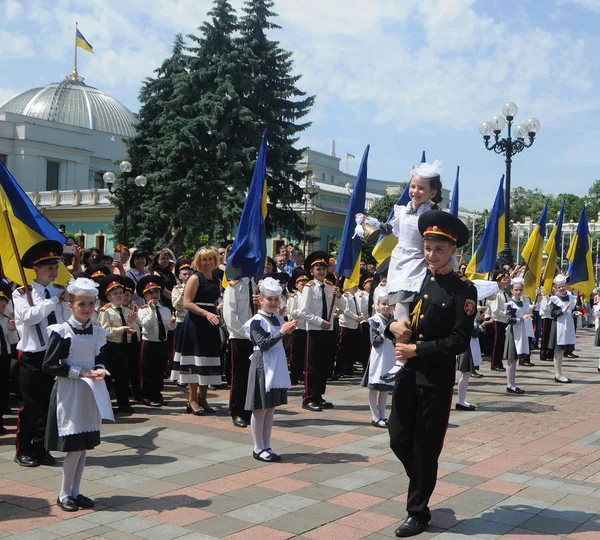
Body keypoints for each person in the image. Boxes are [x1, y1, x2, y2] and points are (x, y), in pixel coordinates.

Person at [385, 210, 476, 538]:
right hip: (407, 373)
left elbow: (459, 339)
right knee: (397, 437)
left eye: (438, 249)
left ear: (453, 250)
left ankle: (417, 511)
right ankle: (423, 479)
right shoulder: (414, 277)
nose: (431, 254)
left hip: (435, 378)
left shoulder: (463, 290)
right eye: (427, 247)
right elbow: (391, 317)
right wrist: (391, 326)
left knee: (426, 446)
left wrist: (416, 351)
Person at [366, 159, 443, 383]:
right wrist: (369, 222)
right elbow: (390, 228)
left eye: (421, 188)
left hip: (416, 263)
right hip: (399, 261)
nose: (415, 191)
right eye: (412, 186)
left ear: (432, 192)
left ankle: (402, 358)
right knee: (395, 308)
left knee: (402, 312)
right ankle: (402, 356)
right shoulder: (404, 209)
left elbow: (433, 241)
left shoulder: (429, 216)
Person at [42, 277, 114, 512]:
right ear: (70, 305)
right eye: (81, 304)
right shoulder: (62, 331)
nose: (86, 308)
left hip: (89, 391)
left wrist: (101, 367)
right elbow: (50, 365)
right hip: (69, 392)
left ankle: (75, 491)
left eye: (91, 304)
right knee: (74, 446)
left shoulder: (97, 331)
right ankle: (64, 494)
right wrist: (81, 371)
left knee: (83, 447)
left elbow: (98, 357)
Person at [13, 240, 70, 467]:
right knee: (31, 405)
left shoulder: (60, 292)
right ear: (35, 269)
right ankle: (23, 449)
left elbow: (67, 321)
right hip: (33, 356)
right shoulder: (22, 294)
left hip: (54, 353)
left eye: (55, 267)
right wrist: (54, 300)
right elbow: (29, 317)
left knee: (49, 405)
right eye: (48, 267)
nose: (53, 271)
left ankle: (41, 447)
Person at [243, 277, 295, 462]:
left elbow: (284, 344)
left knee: (270, 407)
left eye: (276, 299)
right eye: (269, 299)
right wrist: (282, 332)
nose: (273, 303)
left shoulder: (278, 318)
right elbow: (264, 344)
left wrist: (288, 332)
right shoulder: (256, 321)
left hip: (276, 363)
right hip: (261, 364)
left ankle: (267, 444)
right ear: (260, 299)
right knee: (260, 408)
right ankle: (258, 447)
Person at [171, 248, 222, 414]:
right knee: (195, 362)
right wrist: (207, 313)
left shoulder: (216, 280)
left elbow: (214, 302)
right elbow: (187, 303)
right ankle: (192, 399)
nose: (207, 263)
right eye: (204, 260)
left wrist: (216, 313)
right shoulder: (195, 278)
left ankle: (203, 398)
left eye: (210, 259)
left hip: (210, 324)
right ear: (199, 262)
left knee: (207, 361)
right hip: (196, 323)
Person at [298, 251, 341, 412]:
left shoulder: (331, 287)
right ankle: (309, 397)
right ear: (311, 271)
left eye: (323, 268)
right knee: (312, 366)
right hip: (315, 331)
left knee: (325, 365)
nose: (321, 271)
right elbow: (304, 311)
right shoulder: (309, 288)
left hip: (328, 332)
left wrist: (339, 296)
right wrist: (320, 322)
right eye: (318, 269)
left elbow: (340, 308)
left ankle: (319, 395)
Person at [97, 274, 138, 413]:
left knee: (123, 376)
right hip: (110, 347)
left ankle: (124, 403)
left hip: (124, 346)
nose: (119, 296)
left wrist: (131, 322)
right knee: (109, 377)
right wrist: (122, 329)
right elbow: (104, 330)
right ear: (108, 297)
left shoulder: (127, 310)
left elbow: (135, 328)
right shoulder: (106, 311)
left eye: (121, 293)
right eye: (115, 294)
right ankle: (107, 405)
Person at [223, 274, 258, 428]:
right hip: (240, 337)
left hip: (257, 338)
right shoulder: (234, 286)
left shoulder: (258, 285)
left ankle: (249, 409)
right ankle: (237, 412)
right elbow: (229, 316)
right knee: (239, 376)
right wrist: (247, 333)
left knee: (254, 376)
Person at [135, 275, 176, 406]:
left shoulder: (165, 309)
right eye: (150, 292)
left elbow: (169, 327)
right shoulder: (143, 310)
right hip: (149, 343)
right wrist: (152, 311)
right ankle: (147, 395)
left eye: (157, 292)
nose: (154, 294)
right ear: (145, 296)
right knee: (148, 371)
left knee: (159, 370)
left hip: (162, 343)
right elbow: (146, 325)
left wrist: (172, 323)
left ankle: (157, 394)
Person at [361, 289, 395, 427]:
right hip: (379, 356)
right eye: (383, 304)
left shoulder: (393, 320)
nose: (386, 307)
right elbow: (374, 341)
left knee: (385, 387)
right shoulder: (375, 321)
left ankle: (382, 415)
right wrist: (386, 333)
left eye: (389, 304)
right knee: (374, 386)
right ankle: (374, 416)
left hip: (390, 356)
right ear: (378, 304)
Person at [548, 275, 581, 383]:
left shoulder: (572, 298)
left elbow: (572, 311)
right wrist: (562, 310)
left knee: (562, 350)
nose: (561, 288)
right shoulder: (554, 299)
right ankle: (558, 374)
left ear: (566, 286)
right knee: (558, 350)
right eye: (559, 287)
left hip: (568, 325)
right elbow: (553, 314)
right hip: (559, 326)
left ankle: (560, 373)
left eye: (563, 286)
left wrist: (576, 313)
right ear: (556, 288)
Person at [502, 277, 532, 394]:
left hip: (520, 332)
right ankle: (510, 384)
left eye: (520, 290)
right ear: (512, 291)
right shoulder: (510, 304)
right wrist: (521, 318)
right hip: (513, 332)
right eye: (516, 290)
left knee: (514, 359)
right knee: (511, 358)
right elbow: (509, 319)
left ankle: (513, 383)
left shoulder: (523, 303)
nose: (518, 292)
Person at [336, 279, 364, 378]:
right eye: (354, 286)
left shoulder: (354, 297)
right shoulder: (346, 297)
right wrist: (357, 318)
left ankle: (348, 368)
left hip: (354, 325)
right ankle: (339, 370)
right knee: (342, 349)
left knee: (351, 349)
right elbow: (346, 311)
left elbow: (357, 308)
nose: (356, 287)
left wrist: (360, 314)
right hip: (346, 325)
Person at [286, 269, 310, 385]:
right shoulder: (294, 297)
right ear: (296, 285)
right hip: (297, 328)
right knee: (296, 354)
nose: (304, 286)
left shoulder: (309, 296)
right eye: (302, 284)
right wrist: (303, 312)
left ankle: (302, 374)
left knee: (305, 354)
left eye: (306, 284)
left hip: (307, 327)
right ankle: (294, 376)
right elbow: (290, 312)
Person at [0, 283, 18, 435]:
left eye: (3, 305)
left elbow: (12, 341)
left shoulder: (5, 320)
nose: (1, 308)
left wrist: (12, 330)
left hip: (3, 356)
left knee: (3, 388)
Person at [486, 270, 511, 372]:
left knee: (501, 343)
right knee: (497, 344)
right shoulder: (496, 294)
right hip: (498, 321)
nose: (507, 281)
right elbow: (495, 310)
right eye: (504, 279)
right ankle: (495, 364)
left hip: (503, 321)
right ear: (498, 281)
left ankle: (499, 362)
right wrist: (507, 314)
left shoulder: (504, 293)